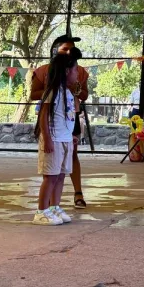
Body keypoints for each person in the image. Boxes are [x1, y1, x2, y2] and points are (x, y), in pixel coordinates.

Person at [31, 34, 89, 209]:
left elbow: (85, 94)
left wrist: (74, 90)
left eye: (72, 49)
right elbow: (33, 94)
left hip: (70, 119)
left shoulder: (79, 71)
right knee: (52, 168)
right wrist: (55, 88)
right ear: (55, 50)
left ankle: (76, 193)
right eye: (65, 49)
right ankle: (46, 207)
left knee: (70, 157)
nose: (69, 52)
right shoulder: (43, 71)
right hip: (53, 121)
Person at [32, 54, 75, 225]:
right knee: (50, 177)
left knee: (61, 175)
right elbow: (43, 116)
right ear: (66, 71)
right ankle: (41, 211)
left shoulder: (68, 92)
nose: (77, 74)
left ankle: (54, 206)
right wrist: (47, 138)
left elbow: (66, 116)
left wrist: (70, 135)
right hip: (54, 139)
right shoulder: (52, 92)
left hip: (65, 139)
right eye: (75, 70)